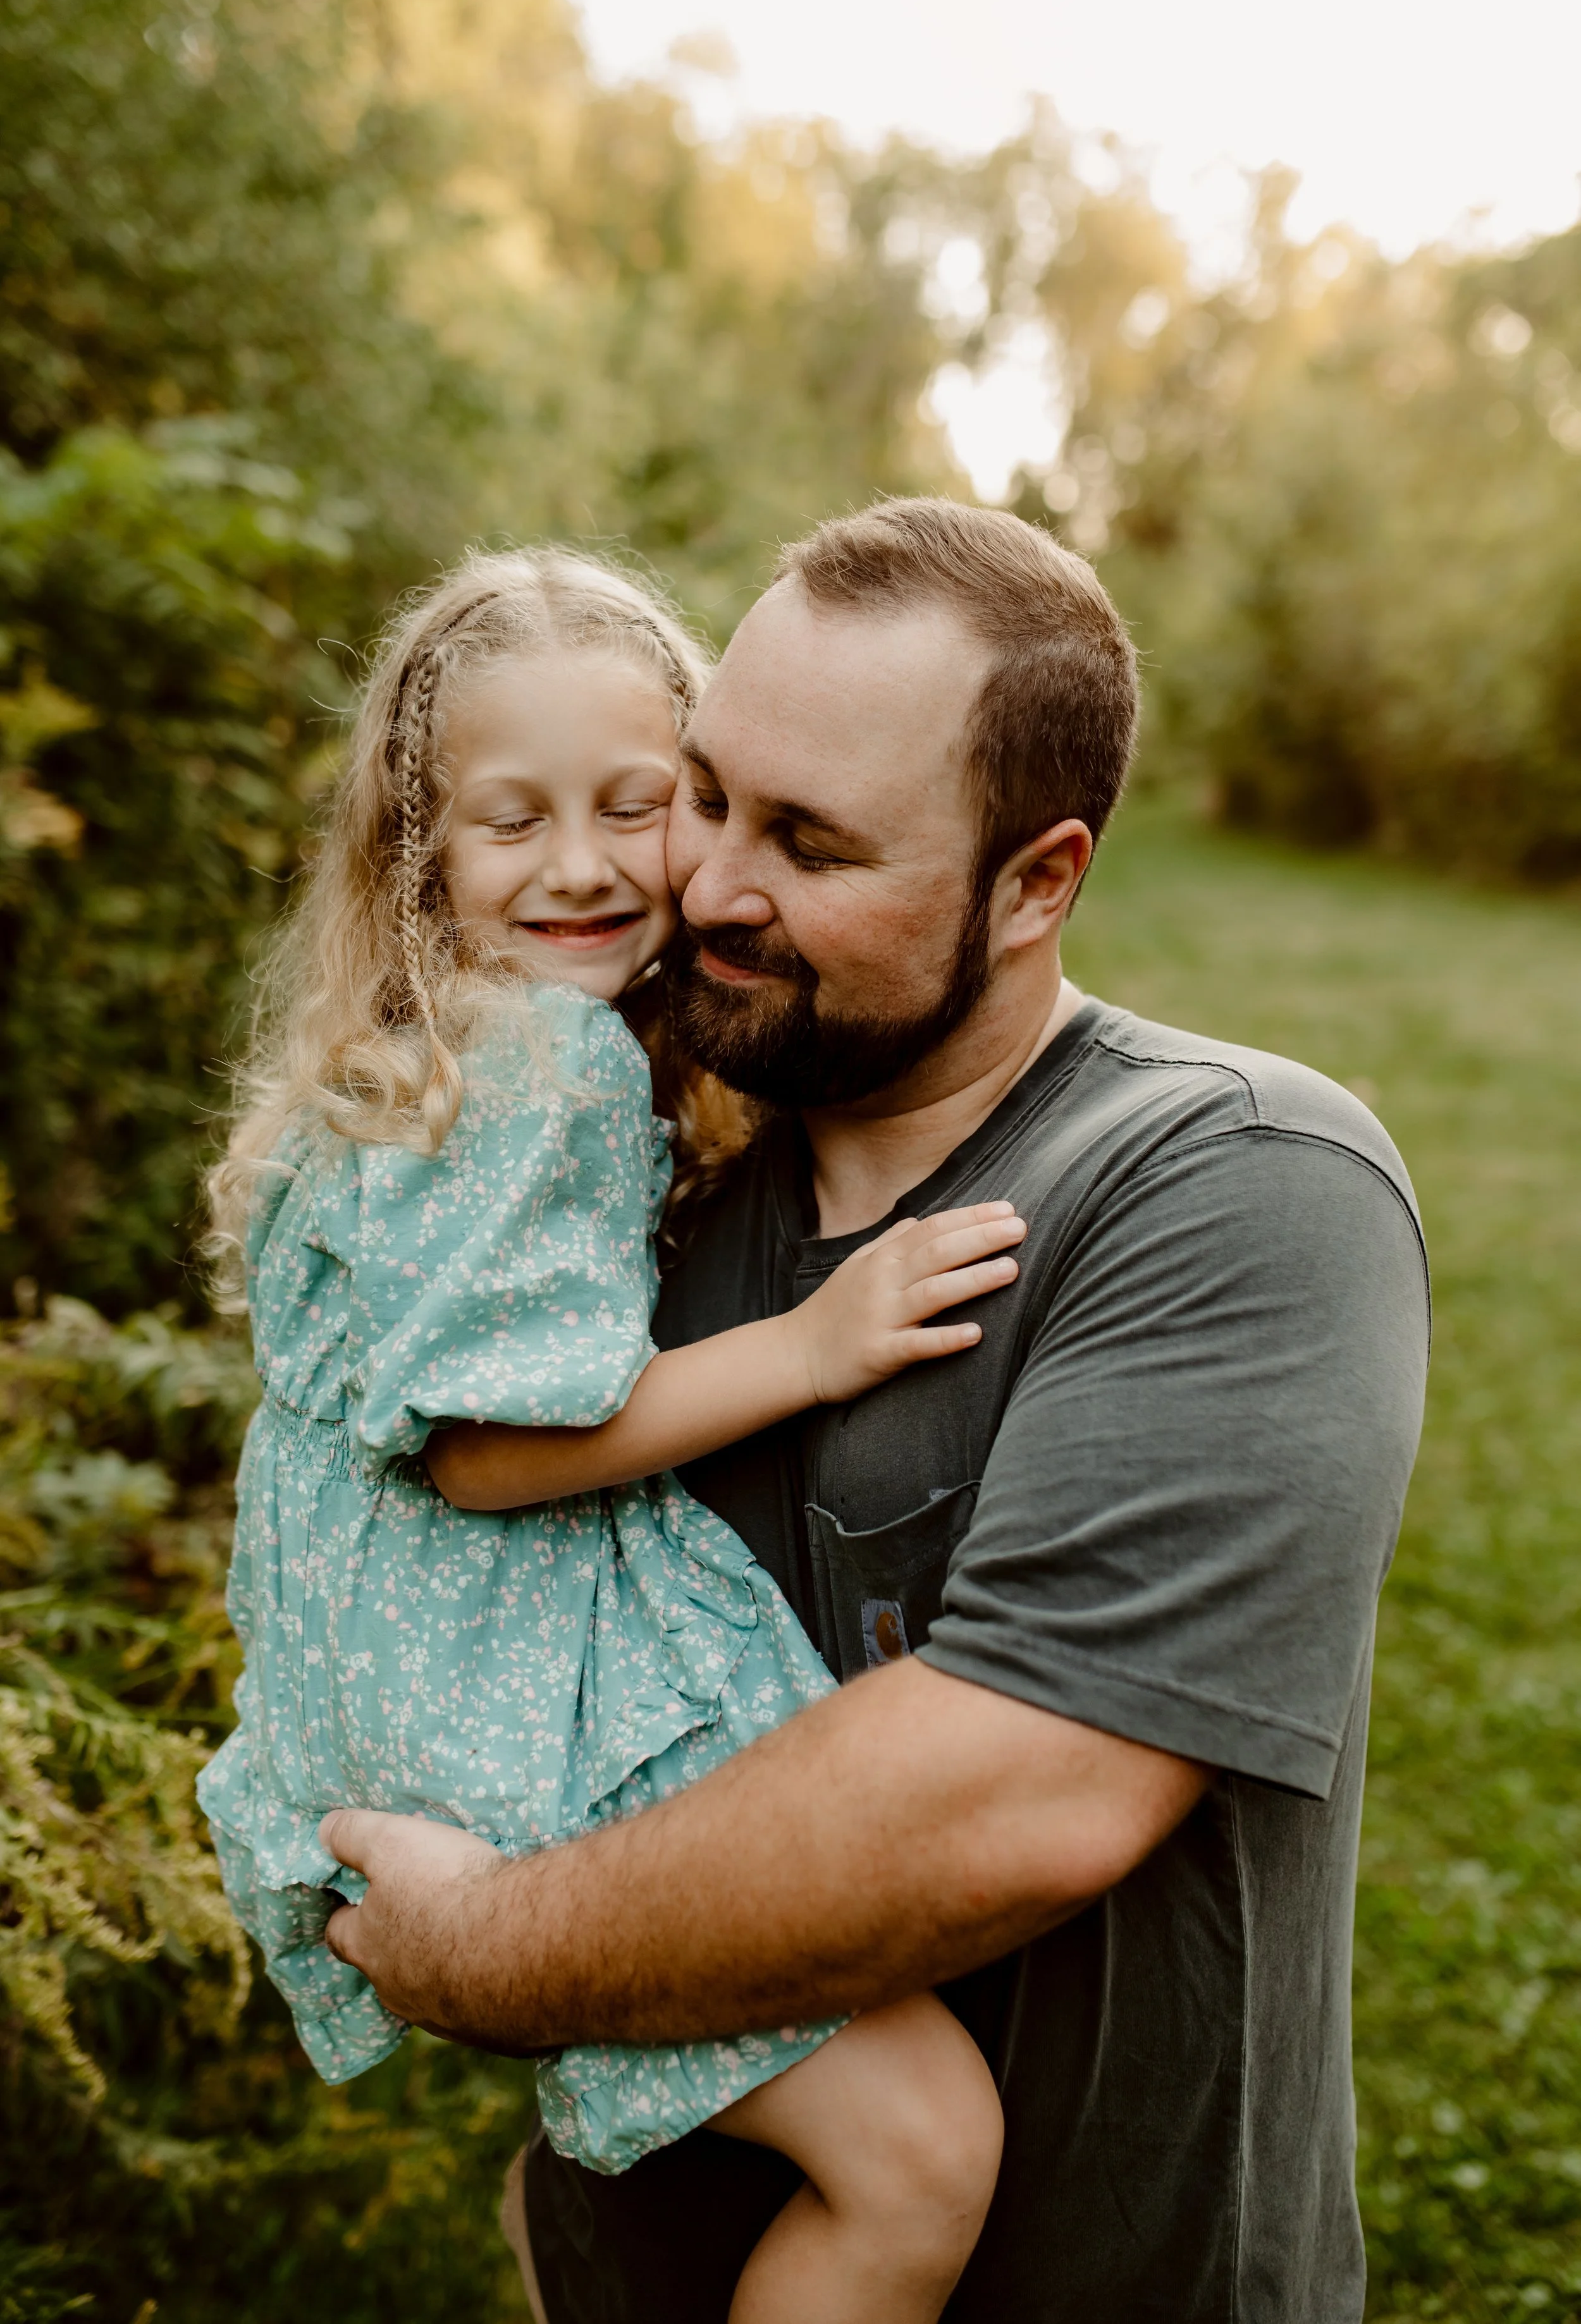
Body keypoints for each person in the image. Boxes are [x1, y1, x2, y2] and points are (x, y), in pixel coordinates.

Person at [320, 499, 1432, 2324]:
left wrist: (491, 1951)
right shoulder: (636, 1211)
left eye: (812, 843)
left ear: (1035, 882)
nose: (711, 886)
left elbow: (1015, 1795)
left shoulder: (1233, 1186)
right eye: (711, 798)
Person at [197, 544, 1029, 2324]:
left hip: (387, 1682)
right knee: (921, 2151)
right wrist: (815, 1345)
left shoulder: (405, 1057)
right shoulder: (546, 1072)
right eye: (513, 823)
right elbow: (484, 1450)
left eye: (634, 805)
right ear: (420, 851)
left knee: (694, 2145)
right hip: (505, 1688)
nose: (579, 866)